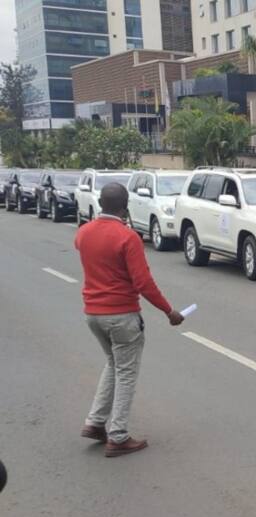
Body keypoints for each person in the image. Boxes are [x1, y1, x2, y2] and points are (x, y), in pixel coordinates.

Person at [75, 183, 184, 457]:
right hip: (121, 316)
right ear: (125, 207)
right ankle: (118, 435)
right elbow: (143, 282)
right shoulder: (127, 237)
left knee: (113, 364)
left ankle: (95, 422)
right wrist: (169, 311)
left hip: (93, 314)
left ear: (100, 203)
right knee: (126, 373)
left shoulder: (83, 233)